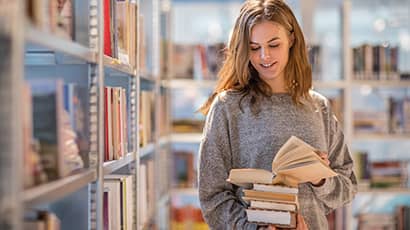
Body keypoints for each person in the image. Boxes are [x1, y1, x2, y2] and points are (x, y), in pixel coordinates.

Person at [197, 0, 358, 229]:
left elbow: (347, 188)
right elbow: (212, 198)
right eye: (254, 48)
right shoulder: (227, 107)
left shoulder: (318, 106)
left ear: (291, 39)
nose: (265, 56)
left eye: (274, 44)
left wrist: (319, 178)